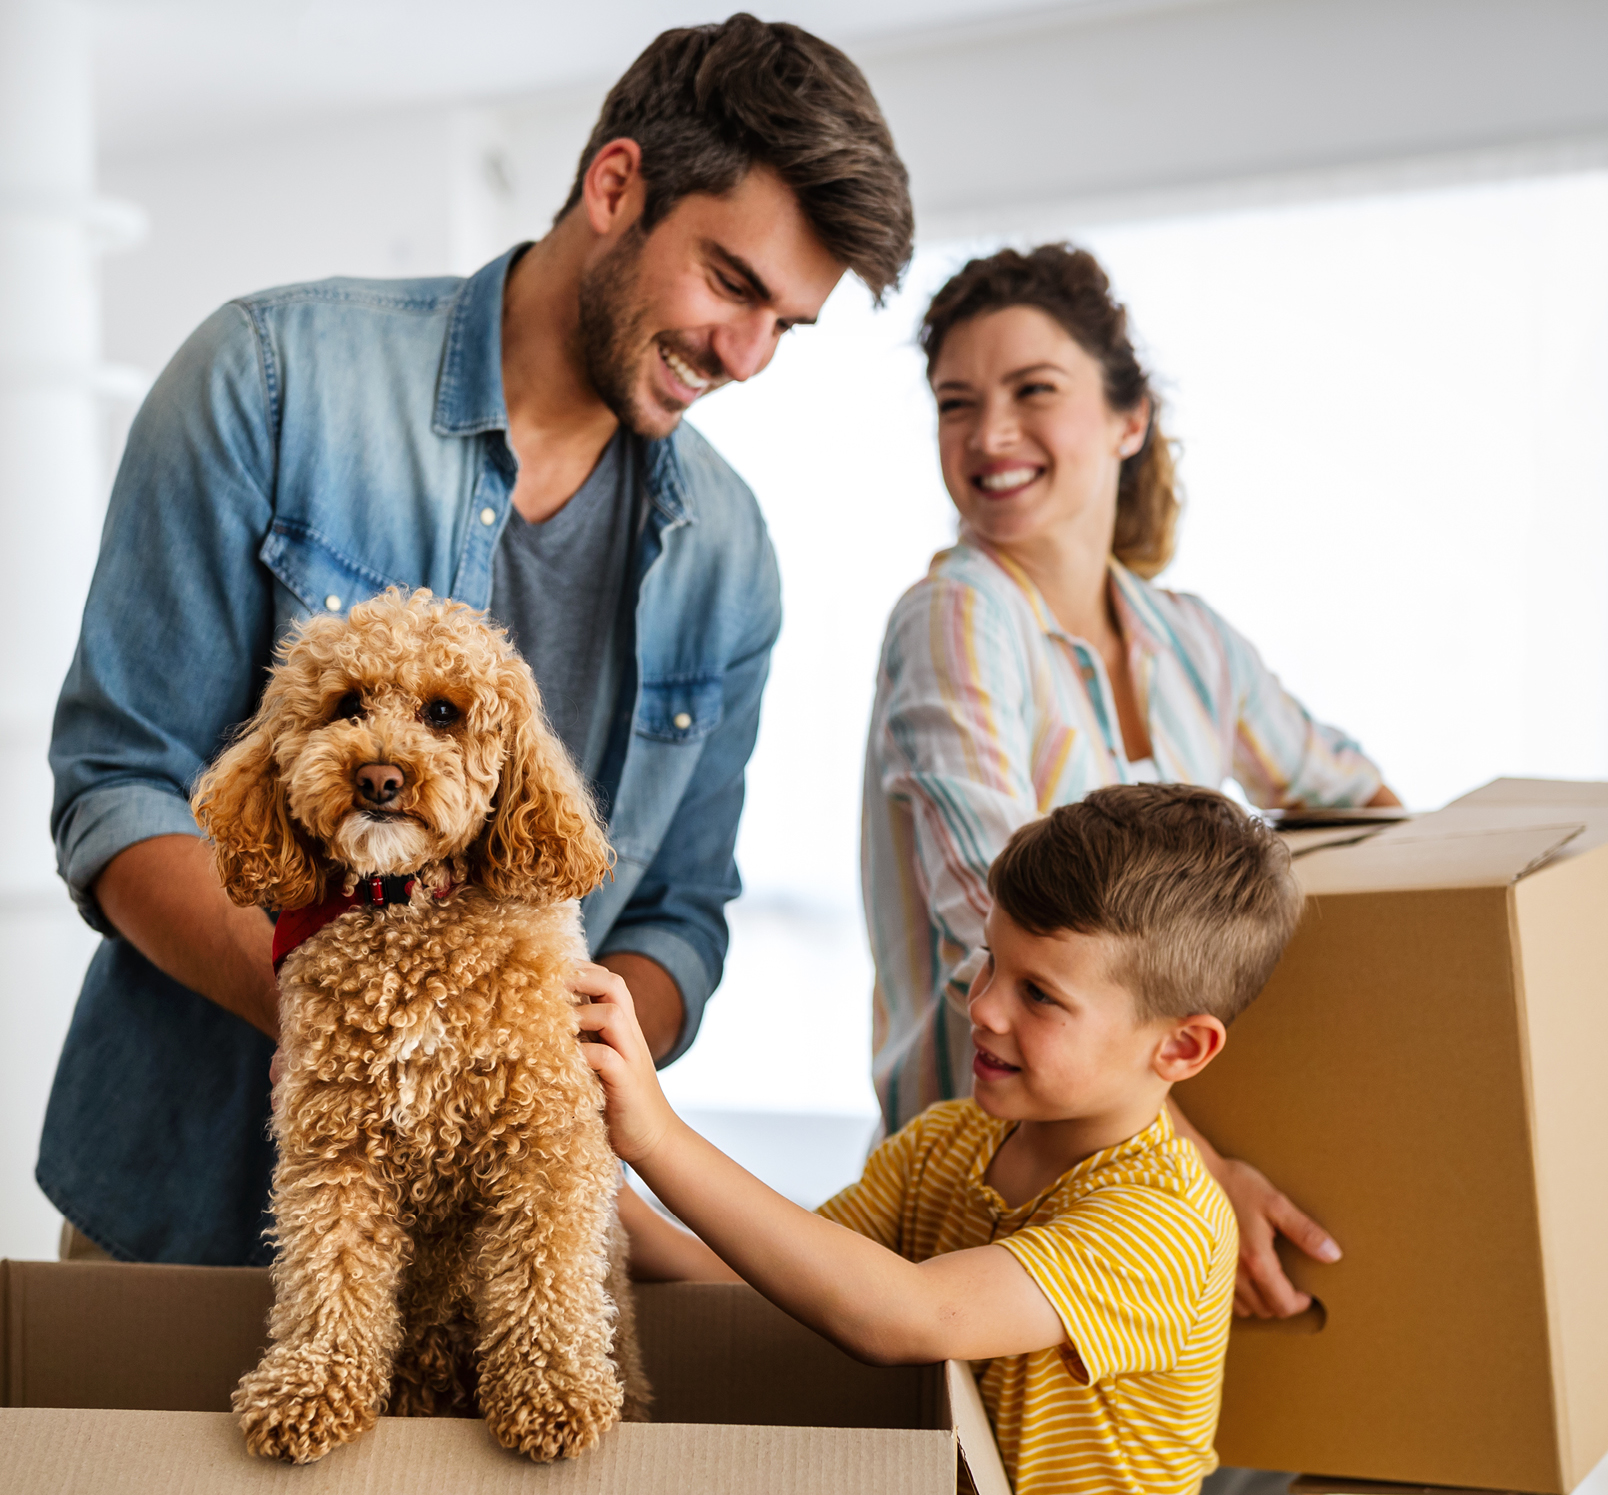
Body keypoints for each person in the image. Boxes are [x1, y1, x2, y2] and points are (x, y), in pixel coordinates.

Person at [41, 14, 913, 1265]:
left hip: (489, 1257)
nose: (746, 357)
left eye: (789, 323)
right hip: (182, 1211)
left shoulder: (727, 554)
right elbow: (119, 789)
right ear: (615, 186)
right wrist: (346, 1022)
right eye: (732, 283)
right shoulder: (268, 380)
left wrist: (543, 1056)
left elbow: (680, 915)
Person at [862, 244, 1399, 1321]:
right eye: (956, 403)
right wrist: (1202, 1172)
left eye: (1033, 391)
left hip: (1139, 1196)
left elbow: (1360, 798)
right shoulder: (958, 617)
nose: (989, 434)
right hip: (988, 1198)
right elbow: (996, 919)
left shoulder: (1190, 640)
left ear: (1128, 418)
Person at [586, 783, 1305, 1495]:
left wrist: (661, 1139)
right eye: (991, 959)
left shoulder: (1166, 1221)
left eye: (1039, 994)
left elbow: (909, 1317)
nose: (982, 1004)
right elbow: (774, 1278)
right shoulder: (945, 1143)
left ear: (1181, 1047)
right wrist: (607, 1201)